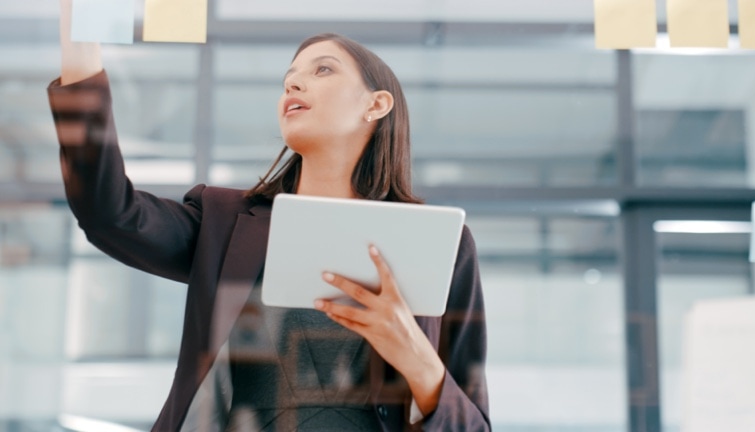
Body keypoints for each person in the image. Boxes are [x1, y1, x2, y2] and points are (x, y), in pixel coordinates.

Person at [50, 1, 490, 430]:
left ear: (375, 105)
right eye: (288, 80)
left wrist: (417, 359)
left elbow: (473, 425)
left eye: (322, 70)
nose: (293, 86)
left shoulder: (442, 247)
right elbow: (108, 213)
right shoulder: (223, 225)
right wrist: (80, 36)